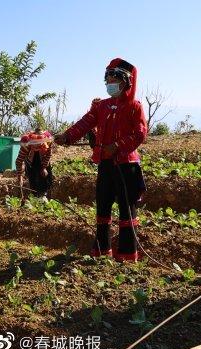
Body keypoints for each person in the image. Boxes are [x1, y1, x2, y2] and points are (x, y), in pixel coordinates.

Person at [55, 58, 147, 262]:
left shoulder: (135, 107)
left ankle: (127, 255)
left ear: (126, 82)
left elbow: (140, 134)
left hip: (127, 166)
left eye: (115, 79)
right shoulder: (101, 107)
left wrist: (117, 146)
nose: (110, 83)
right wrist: (67, 136)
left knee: (126, 210)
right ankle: (101, 251)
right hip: (105, 165)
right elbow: (85, 123)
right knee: (103, 207)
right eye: (108, 79)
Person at [15, 127, 53, 199]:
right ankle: (35, 197)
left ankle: (44, 195)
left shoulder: (48, 141)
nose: (38, 146)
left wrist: (44, 167)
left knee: (46, 178)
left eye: (40, 144)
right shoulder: (26, 144)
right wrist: (20, 176)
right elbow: (19, 161)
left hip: (43, 160)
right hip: (31, 163)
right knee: (33, 179)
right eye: (36, 144)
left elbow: (49, 154)